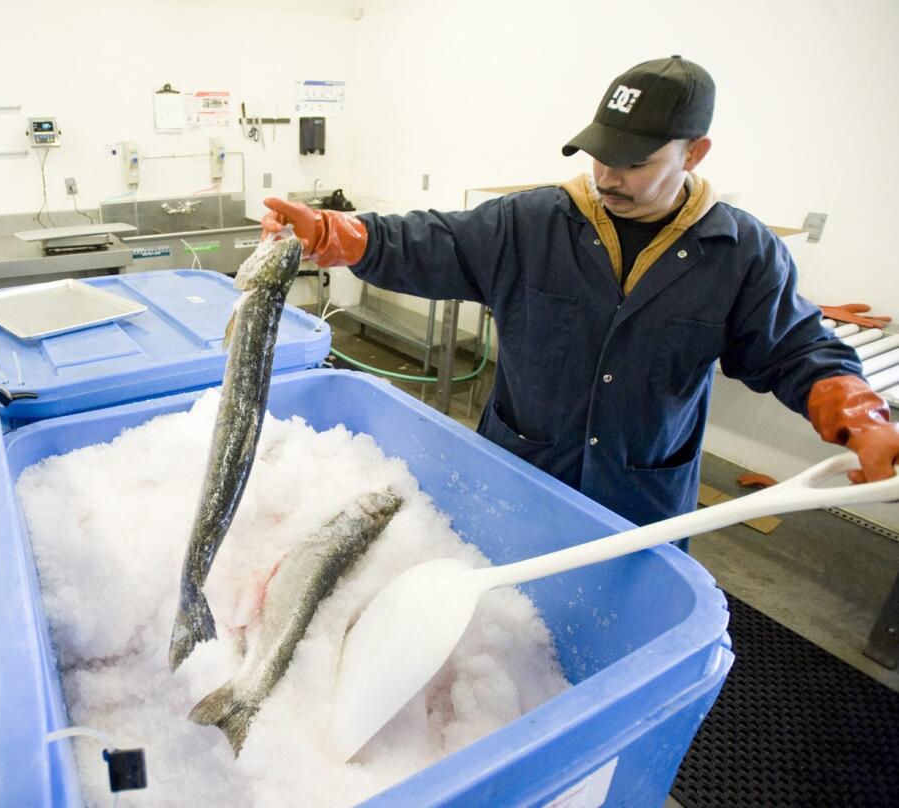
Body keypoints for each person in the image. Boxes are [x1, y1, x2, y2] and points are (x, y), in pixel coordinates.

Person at [262, 55, 899, 531]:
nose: (606, 175)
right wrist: (333, 234)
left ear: (695, 153)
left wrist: (859, 415)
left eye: (634, 161)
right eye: (600, 154)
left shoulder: (742, 254)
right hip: (518, 474)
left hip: (640, 497)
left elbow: (793, 349)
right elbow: (432, 243)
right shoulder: (531, 222)